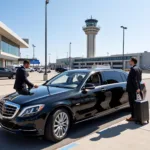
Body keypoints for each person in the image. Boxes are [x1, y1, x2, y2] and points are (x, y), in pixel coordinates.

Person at [126, 57, 142, 121]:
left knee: (132, 103)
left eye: (130, 61)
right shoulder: (139, 69)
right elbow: (139, 79)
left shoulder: (133, 69)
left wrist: (136, 88)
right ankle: (136, 115)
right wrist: (138, 87)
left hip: (132, 89)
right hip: (136, 89)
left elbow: (134, 80)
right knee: (136, 103)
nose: (129, 62)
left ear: (132, 61)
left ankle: (133, 117)